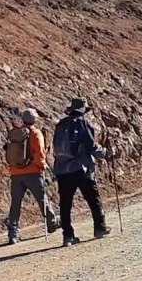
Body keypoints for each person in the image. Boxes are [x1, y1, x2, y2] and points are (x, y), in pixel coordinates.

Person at [51, 98, 113, 247]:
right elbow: (91, 147)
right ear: (83, 111)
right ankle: (100, 228)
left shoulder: (61, 125)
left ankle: (68, 236)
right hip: (81, 168)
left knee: (65, 203)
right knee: (93, 199)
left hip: (62, 170)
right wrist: (106, 153)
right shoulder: (83, 123)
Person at [4, 108, 59, 245]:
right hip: (32, 172)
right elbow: (40, 154)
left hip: (16, 173)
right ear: (35, 120)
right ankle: (51, 222)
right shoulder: (35, 133)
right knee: (42, 198)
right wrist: (43, 167)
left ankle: (13, 234)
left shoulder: (14, 133)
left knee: (15, 203)